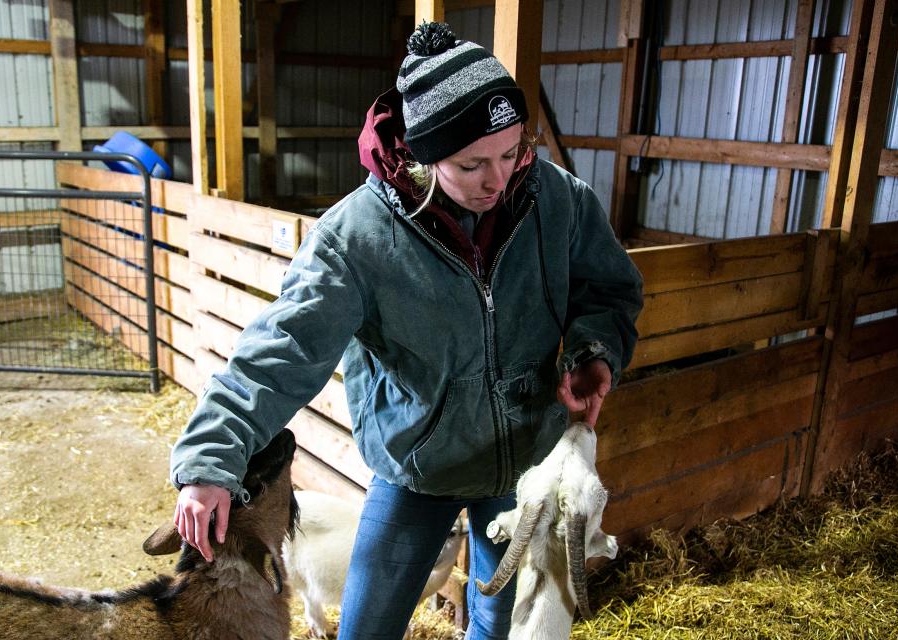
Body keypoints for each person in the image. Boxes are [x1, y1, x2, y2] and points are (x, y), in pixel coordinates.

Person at [170, 22, 643, 640]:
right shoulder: (359, 239)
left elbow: (608, 290)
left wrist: (593, 352)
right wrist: (212, 457)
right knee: (369, 626)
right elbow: (279, 352)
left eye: (512, 152)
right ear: (425, 154)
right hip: (421, 467)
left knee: (503, 619)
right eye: (472, 163)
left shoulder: (556, 200)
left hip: (530, 457)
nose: (498, 180)